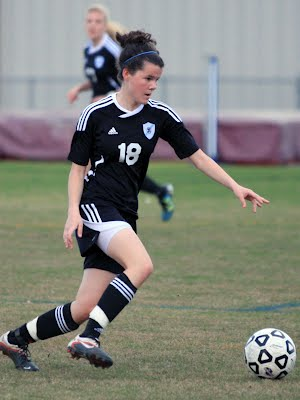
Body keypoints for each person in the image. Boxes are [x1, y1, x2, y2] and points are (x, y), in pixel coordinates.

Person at [0, 30, 269, 372]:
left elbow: (197, 156)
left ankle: (15, 339)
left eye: (157, 80)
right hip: (95, 206)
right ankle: (90, 338)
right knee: (141, 265)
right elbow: (76, 170)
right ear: (127, 74)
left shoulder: (160, 116)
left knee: (84, 307)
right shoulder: (95, 114)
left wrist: (235, 185)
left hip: (124, 213)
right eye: (148, 78)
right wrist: (72, 214)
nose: (153, 86)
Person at [67, 4, 175, 221]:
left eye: (98, 21)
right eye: (89, 21)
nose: (93, 25)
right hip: (99, 109)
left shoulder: (111, 50)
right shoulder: (88, 49)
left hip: (114, 113)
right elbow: (97, 78)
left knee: (107, 166)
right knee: (109, 166)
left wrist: (109, 99)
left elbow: (128, 80)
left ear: (105, 25)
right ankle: (88, 212)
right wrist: (80, 89)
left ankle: (89, 212)